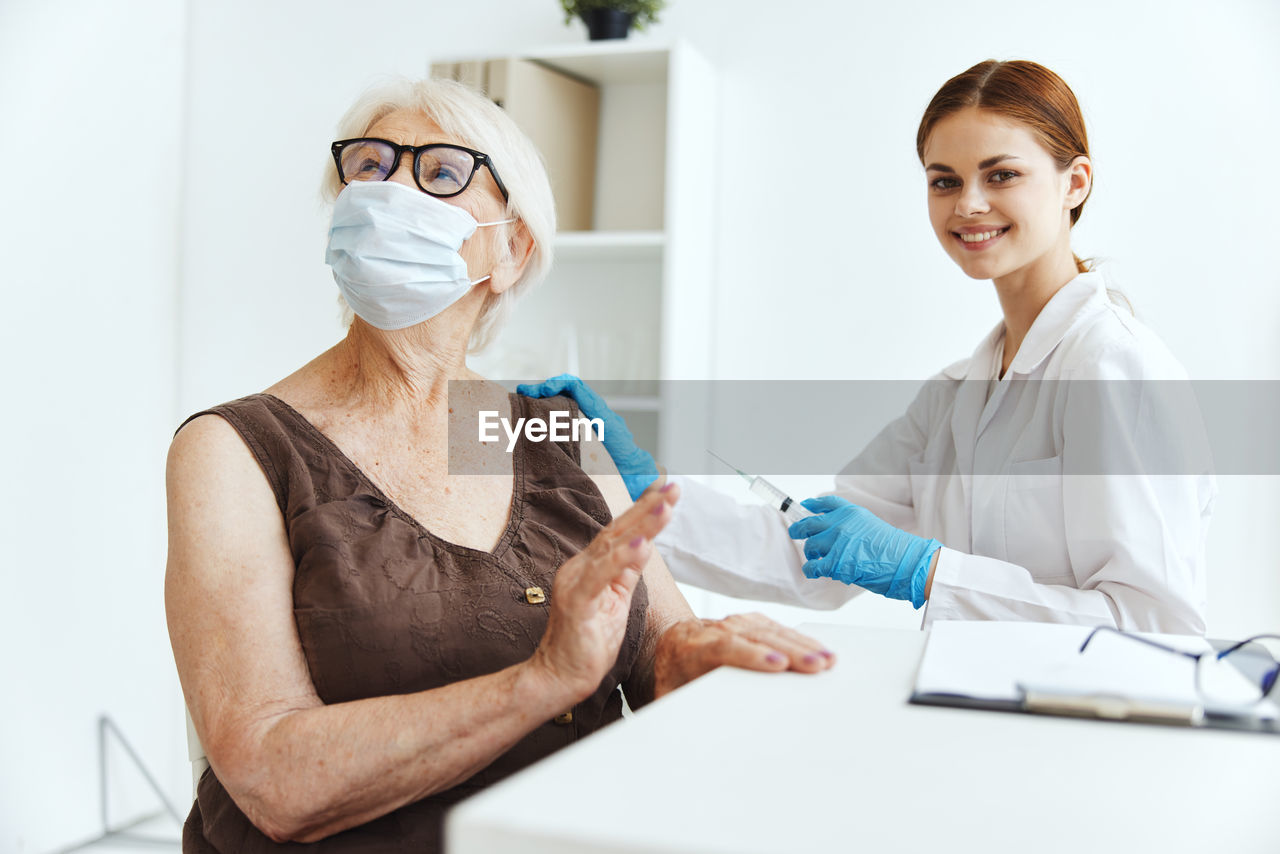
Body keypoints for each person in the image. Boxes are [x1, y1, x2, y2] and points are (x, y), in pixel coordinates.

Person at [164, 77, 834, 853]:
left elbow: (658, 647)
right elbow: (273, 782)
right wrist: (540, 680)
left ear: (513, 249)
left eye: (441, 174)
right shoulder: (235, 448)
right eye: (370, 167)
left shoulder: (543, 428)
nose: (390, 194)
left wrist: (699, 653)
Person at [522, 60, 1214, 634]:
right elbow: (806, 556)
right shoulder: (956, 395)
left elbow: (1154, 625)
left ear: (1076, 183)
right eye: (944, 180)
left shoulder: (1112, 367)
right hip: (968, 722)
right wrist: (639, 491)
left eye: (1001, 175)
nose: (968, 203)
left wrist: (929, 572)